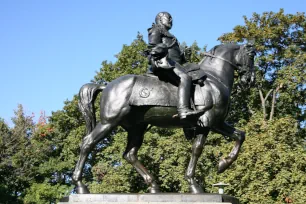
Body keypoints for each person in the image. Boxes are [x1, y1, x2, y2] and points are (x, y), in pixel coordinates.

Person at [147, 12, 202, 120]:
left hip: (174, 64)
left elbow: (178, 58)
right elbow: (153, 48)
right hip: (163, 63)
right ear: (160, 19)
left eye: (171, 18)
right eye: (169, 18)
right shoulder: (156, 29)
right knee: (185, 78)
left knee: (197, 71)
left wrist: (184, 54)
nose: (171, 20)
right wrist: (161, 50)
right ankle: (183, 110)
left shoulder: (171, 36)